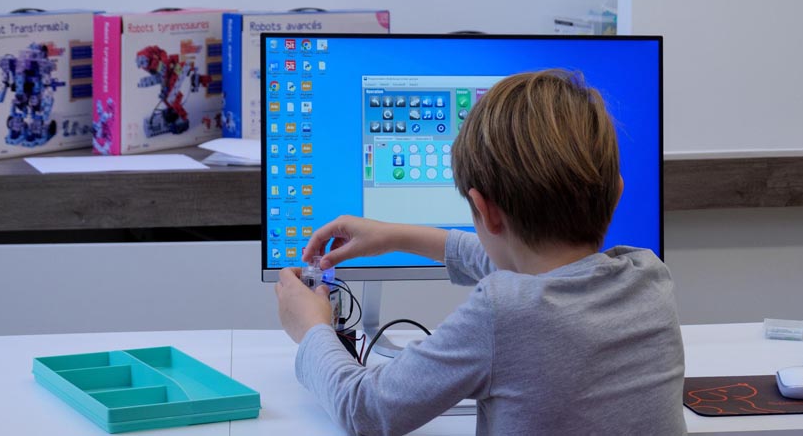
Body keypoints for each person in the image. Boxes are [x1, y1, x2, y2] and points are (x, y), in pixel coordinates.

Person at [275, 69, 686, 435]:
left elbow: (365, 409)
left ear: (485, 210)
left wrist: (312, 329)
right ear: (617, 192)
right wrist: (398, 236)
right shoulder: (650, 277)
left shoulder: (503, 313)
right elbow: (535, 267)